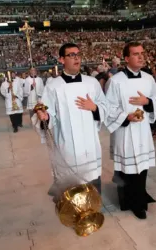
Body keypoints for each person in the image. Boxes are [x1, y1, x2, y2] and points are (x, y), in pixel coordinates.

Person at [32, 43, 109, 196]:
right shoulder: (53, 86)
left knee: (93, 185)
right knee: (72, 190)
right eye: (71, 55)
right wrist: (44, 117)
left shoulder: (91, 83)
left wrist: (95, 108)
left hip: (90, 145)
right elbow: (47, 114)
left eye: (78, 55)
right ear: (61, 59)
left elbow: (105, 106)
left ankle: (94, 212)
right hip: (68, 146)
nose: (76, 58)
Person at [105, 42, 156, 219]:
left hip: (143, 130)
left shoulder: (148, 78)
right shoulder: (116, 81)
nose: (140, 57)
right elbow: (109, 107)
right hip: (125, 131)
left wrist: (147, 102)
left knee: (142, 167)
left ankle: (140, 195)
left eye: (142, 53)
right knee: (127, 169)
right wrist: (126, 117)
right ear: (126, 58)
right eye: (135, 54)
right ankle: (131, 201)